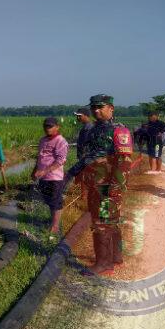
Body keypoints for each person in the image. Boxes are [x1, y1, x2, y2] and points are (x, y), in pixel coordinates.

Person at [59, 94, 133, 275]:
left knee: (102, 222)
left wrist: (115, 188)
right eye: (94, 108)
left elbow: (124, 162)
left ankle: (104, 263)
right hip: (94, 183)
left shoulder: (119, 131)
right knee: (109, 221)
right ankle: (116, 257)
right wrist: (74, 174)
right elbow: (88, 157)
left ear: (111, 108)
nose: (96, 111)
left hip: (107, 187)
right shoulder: (94, 129)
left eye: (100, 107)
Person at [32, 117, 68, 236]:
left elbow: (61, 160)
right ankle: (52, 221)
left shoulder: (60, 141)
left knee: (56, 202)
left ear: (57, 127)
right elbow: (40, 157)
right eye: (46, 126)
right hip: (44, 177)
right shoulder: (43, 140)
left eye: (50, 126)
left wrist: (45, 171)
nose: (47, 128)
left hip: (54, 177)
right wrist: (35, 171)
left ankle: (55, 226)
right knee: (49, 201)